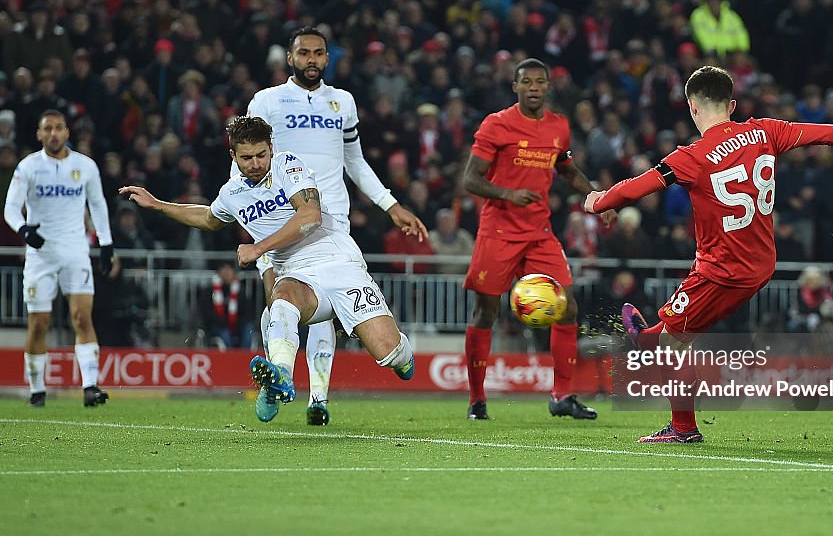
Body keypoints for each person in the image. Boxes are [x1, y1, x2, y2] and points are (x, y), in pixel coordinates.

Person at [583, 66, 833, 443]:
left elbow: (636, 188)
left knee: (670, 346)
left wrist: (598, 202)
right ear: (731, 105)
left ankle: (680, 422)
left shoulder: (691, 156)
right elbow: (826, 132)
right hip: (761, 264)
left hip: (721, 271)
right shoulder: (765, 131)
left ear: (692, 107)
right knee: (675, 337)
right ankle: (649, 341)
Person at [121, 116, 415, 423]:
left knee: (388, 353)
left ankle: (401, 353)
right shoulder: (232, 194)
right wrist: (159, 205)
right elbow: (208, 217)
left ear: (271, 148)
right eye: (247, 157)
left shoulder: (288, 166)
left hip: (339, 264)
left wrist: (259, 248)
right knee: (281, 295)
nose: (256, 163)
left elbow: (311, 215)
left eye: (262, 154)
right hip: (297, 274)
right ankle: (280, 379)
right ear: (232, 156)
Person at [242, 26, 426, 426]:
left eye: (318, 53)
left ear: (328, 59)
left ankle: (320, 395)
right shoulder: (267, 101)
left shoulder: (341, 102)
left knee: (361, 336)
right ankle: (280, 381)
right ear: (290, 58)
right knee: (279, 302)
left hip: (330, 227)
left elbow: (355, 162)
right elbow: (245, 161)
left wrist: (390, 204)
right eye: (303, 53)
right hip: (280, 226)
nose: (311, 60)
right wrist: (250, 225)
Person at [462, 57, 612, 421]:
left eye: (539, 82)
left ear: (547, 87)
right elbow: (471, 179)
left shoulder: (558, 127)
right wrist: (507, 194)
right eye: (525, 81)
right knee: (486, 311)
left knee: (568, 306)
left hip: (538, 232)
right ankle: (477, 399)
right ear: (515, 87)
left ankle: (563, 395)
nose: (533, 87)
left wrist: (597, 198)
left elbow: (566, 169)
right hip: (497, 231)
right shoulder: (496, 124)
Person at [3, 109, 116, 407]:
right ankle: (37, 390)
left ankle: (90, 387)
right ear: (39, 134)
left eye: (58, 128)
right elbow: (10, 209)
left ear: (67, 132)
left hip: (75, 250)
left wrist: (106, 244)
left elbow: (98, 204)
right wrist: (24, 230)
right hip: (40, 254)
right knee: (39, 323)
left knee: (81, 317)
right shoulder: (28, 167)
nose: (53, 134)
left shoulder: (85, 166)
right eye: (47, 129)